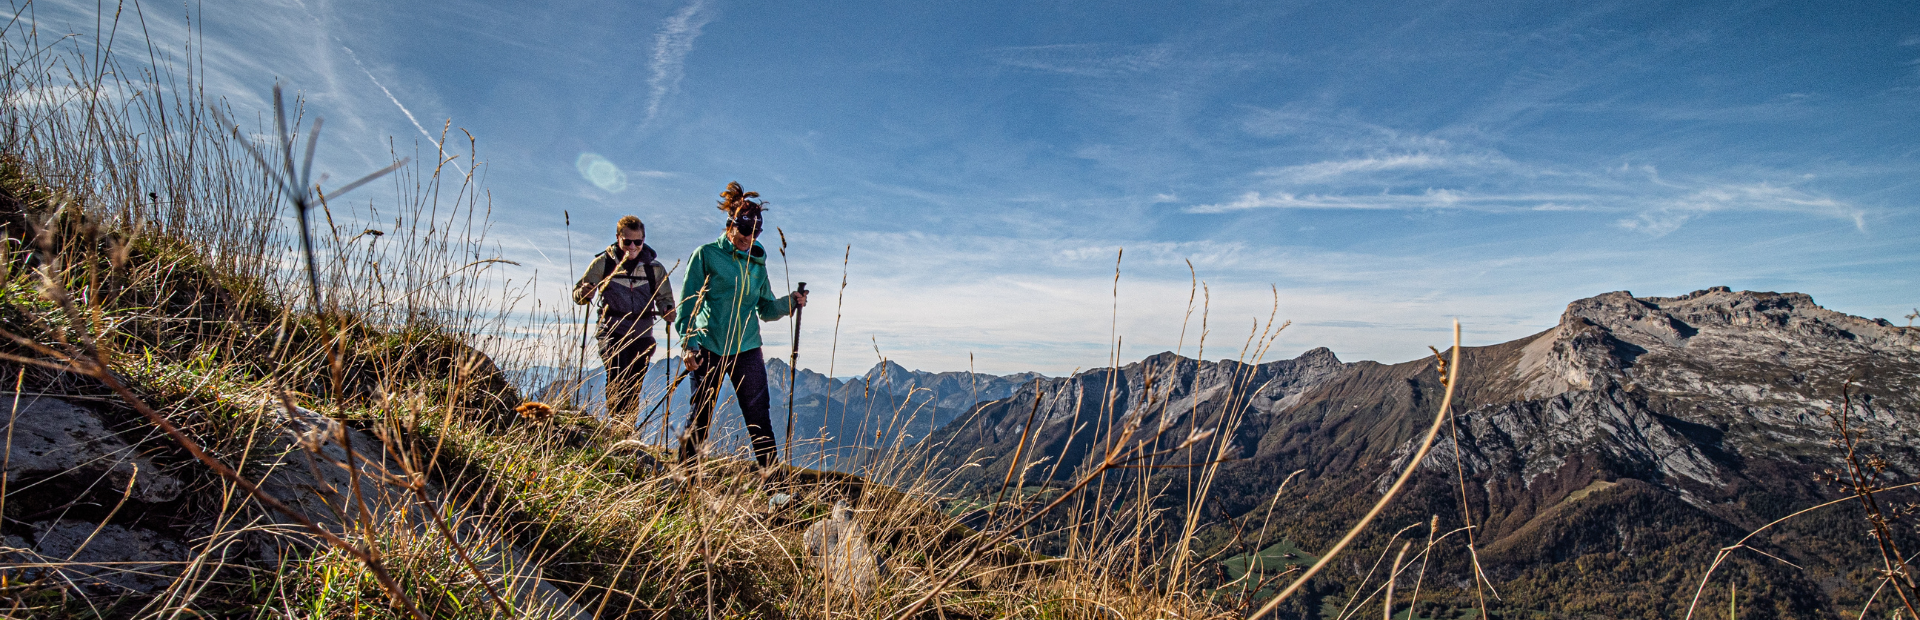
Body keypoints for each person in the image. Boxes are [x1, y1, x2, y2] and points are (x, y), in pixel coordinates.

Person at [674, 182, 808, 468]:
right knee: (700, 417)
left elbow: (767, 309)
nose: (749, 237)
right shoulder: (706, 255)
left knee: (759, 418)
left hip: (747, 349)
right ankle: (683, 482)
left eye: (756, 232)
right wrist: (689, 343)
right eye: (745, 230)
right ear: (730, 224)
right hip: (709, 347)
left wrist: (791, 302)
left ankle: (776, 491)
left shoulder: (757, 262)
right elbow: (688, 304)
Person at [572, 215, 674, 430]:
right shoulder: (604, 262)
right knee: (617, 374)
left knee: (634, 382)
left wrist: (667, 310)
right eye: (627, 241)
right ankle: (619, 427)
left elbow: (666, 299)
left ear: (644, 240)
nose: (632, 247)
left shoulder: (654, 269)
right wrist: (584, 292)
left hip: (642, 333)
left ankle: (624, 428)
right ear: (618, 238)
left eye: (638, 242)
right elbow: (579, 295)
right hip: (611, 330)